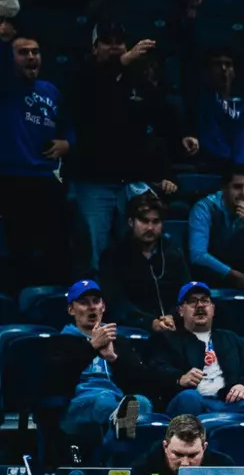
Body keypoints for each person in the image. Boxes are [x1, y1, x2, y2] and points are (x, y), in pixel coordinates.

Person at [65, 26, 195, 267]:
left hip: (129, 181)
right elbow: (85, 103)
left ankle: (127, 299)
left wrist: (183, 135)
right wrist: (121, 63)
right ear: (94, 48)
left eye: (119, 41)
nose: (114, 46)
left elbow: (162, 111)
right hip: (94, 182)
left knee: (132, 250)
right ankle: (94, 301)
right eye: (107, 41)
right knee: (95, 250)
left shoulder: (135, 81)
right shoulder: (82, 75)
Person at [151, 282, 244, 425]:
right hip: (195, 402)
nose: (200, 305)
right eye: (192, 301)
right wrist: (179, 378)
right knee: (190, 397)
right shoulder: (169, 339)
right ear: (181, 311)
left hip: (230, 404)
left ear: (213, 309)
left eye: (205, 301)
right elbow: (156, 371)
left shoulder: (230, 339)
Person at [0, 31, 73, 286]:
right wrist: (3, 40)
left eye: (35, 52)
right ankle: (21, 310)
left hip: (47, 178)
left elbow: (69, 127)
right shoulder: (6, 86)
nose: (31, 57)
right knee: (20, 248)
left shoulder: (51, 90)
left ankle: (54, 305)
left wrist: (67, 143)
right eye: (23, 52)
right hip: (13, 179)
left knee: (57, 246)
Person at [54, 280, 152, 448]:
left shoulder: (118, 341)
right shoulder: (60, 342)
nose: (92, 307)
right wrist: (92, 347)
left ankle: (122, 453)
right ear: (71, 309)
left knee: (141, 402)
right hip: (76, 406)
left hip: (116, 400)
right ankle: (115, 453)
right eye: (84, 303)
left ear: (103, 307)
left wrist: (114, 358)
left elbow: (141, 382)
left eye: (96, 301)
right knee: (103, 401)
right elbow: (55, 382)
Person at [99, 192, 191, 333]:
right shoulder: (113, 257)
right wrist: (150, 323)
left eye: (155, 222)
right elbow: (116, 303)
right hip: (133, 329)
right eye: (144, 221)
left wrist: (173, 317)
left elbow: (187, 294)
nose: (150, 227)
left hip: (172, 326)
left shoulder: (173, 253)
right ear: (131, 222)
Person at [187, 168, 244, 293]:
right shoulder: (204, 207)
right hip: (212, 266)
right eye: (237, 187)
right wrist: (232, 274)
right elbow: (197, 255)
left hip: (240, 262)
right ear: (224, 188)